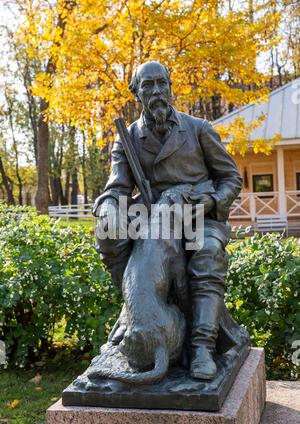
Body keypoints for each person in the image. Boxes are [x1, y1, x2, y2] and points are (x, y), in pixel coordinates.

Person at [93, 61, 242, 380]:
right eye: (148, 86)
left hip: (197, 212)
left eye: (162, 84)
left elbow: (230, 178)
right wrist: (108, 208)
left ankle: (202, 345)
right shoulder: (128, 137)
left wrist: (214, 200)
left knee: (207, 252)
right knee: (108, 234)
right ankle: (137, 314)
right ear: (137, 93)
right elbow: (116, 187)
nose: (157, 91)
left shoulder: (198, 128)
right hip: (151, 213)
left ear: (171, 88)